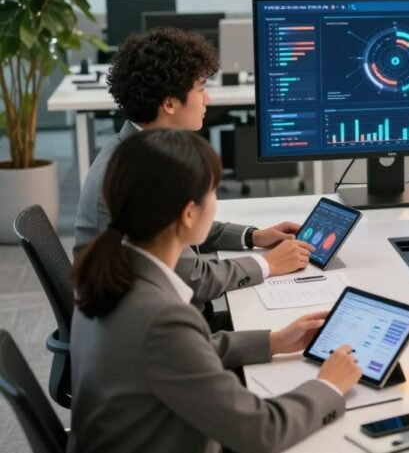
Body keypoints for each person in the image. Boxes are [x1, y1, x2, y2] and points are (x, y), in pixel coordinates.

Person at [69, 129, 361, 453]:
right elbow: (261, 432)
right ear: (188, 213)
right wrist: (328, 387)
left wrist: (274, 341)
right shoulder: (162, 319)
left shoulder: (110, 273)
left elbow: (184, 353)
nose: (216, 202)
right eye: (212, 191)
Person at [74, 28, 313, 306]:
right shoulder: (142, 175)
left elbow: (178, 227)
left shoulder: (130, 148)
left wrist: (253, 236)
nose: (208, 100)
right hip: (151, 326)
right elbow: (194, 279)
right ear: (170, 103)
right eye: (201, 89)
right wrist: (268, 265)